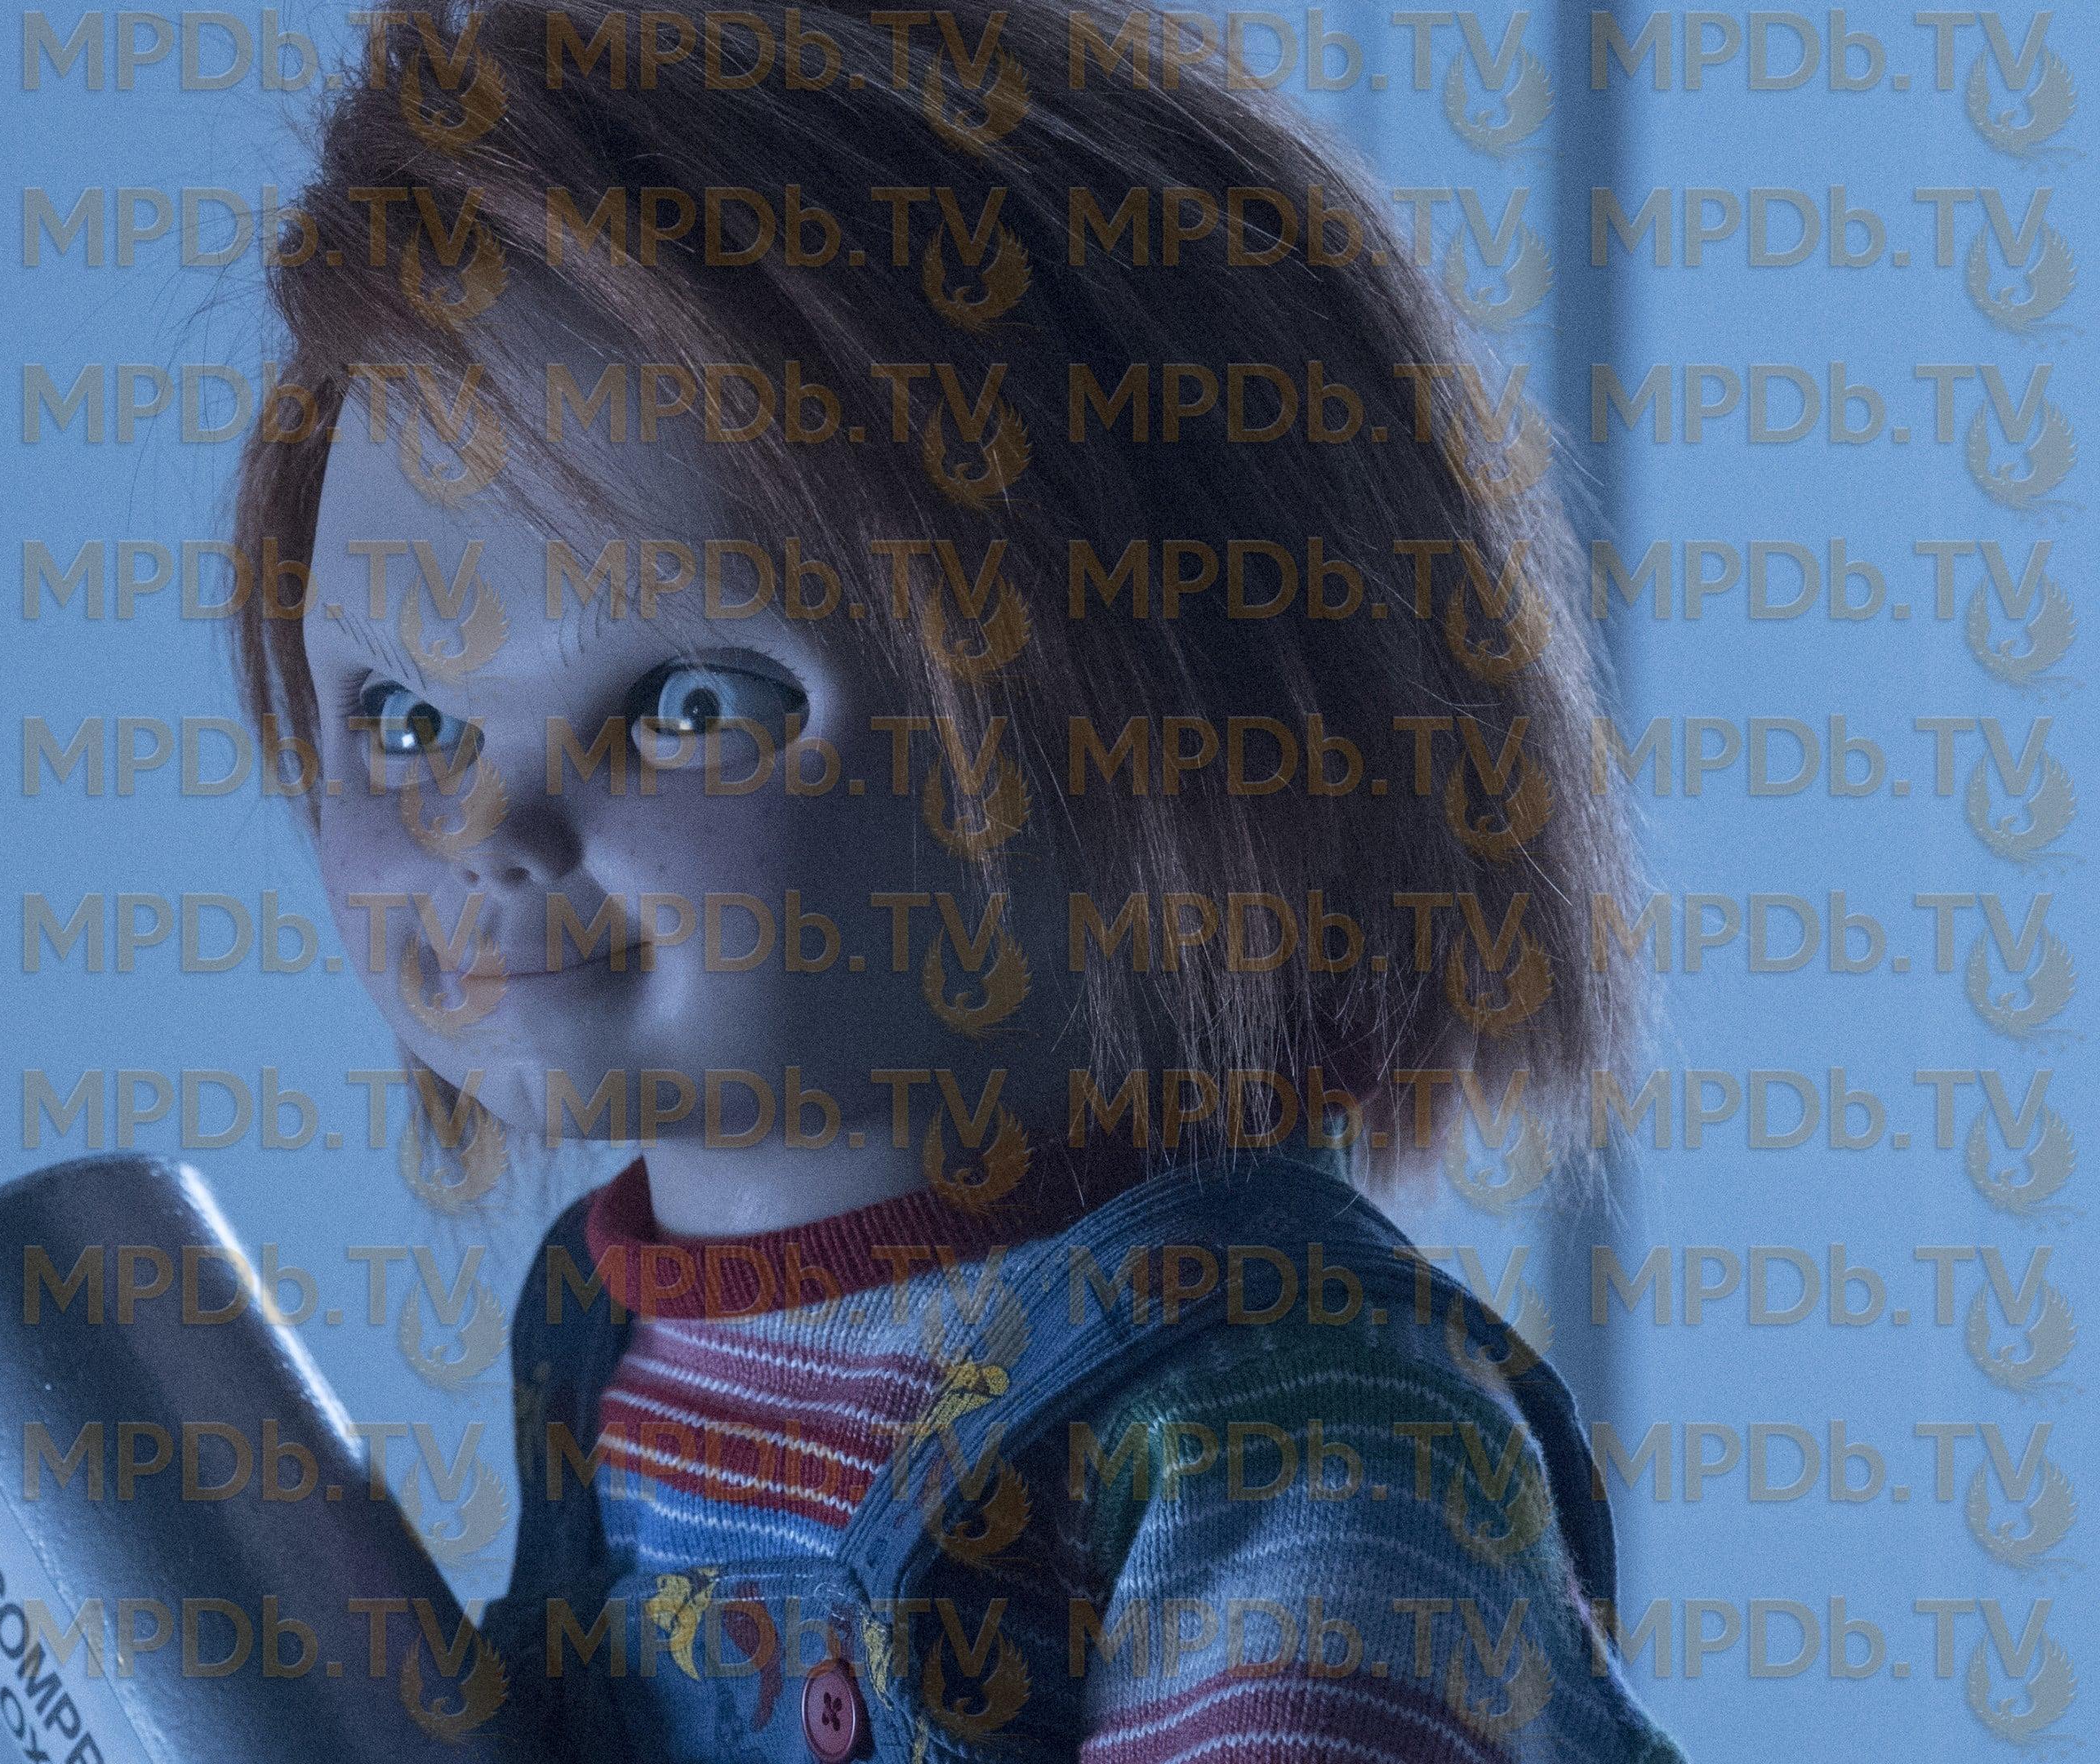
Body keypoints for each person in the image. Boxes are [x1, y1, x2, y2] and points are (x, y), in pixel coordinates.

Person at [221, 3, 1685, 1757]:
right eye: (404, 719)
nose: (491, 828)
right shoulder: (611, 1353)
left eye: (695, 706)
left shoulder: (1295, 1429)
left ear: (1165, 724)